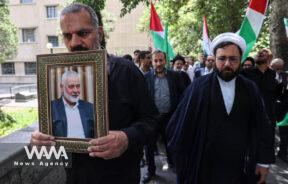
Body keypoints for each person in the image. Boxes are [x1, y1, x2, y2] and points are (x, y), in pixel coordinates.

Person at [31, 3, 158, 184]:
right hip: (76, 178)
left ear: (99, 33)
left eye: (83, 33)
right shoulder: (56, 75)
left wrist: (127, 138)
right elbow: (55, 127)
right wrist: (42, 136)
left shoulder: (126, 71)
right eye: (67, 36)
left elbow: (151, 120)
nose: (74, 43)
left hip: (120, 177)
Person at [167, 32, 274, 184]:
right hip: (204, 167)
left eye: (233, 59)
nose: (227, 64)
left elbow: (263, 125)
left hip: (240, 166)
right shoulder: (198, 88)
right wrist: (182, 163)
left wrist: (263, 162)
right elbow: (179, 127)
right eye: (222, 58)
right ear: (215, 59)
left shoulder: (250, 88)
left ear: (240, 59)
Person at [142, 50, 189, 183]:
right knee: (149, 146)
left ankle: (174, 166)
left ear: (165, 60)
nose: (158, 63)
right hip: (152, 119)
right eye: (155, 61)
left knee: (172, 144)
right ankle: (151, 171)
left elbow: (183, 95)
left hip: (170, 117)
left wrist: (179, 114)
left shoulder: (175, 76)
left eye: (161, 60)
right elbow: (143, 99)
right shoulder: (146, 78)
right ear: (152, 61)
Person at [51, 70, 94, 138]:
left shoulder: (90, 107)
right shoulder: (51, 108)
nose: (75, 90)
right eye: (71, 86)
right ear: (62, 87)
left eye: (78, 86)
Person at [270, 58, 288, 162]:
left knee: (284, 133)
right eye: (273, 66)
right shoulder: (265, 74)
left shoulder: (285, 76)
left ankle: (282, 152)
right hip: (270, 107)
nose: (275, 68)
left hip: (283, 109)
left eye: (277, 67)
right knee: (269, 131)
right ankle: (268, 151)